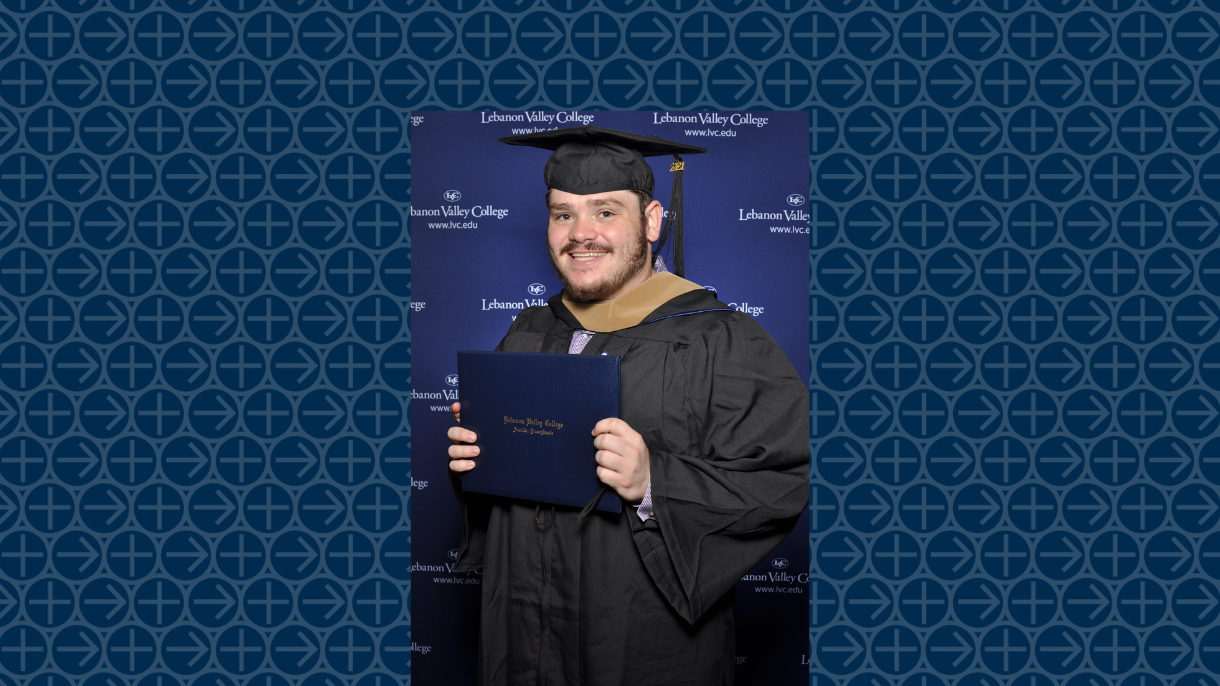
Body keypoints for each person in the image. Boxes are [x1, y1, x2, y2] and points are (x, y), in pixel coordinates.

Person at [446, 125, 809, 686]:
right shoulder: (527, 329)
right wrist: (477, 457)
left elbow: (782, 477)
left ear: (652, 221)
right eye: (563, 214)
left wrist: (652, 484)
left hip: (641, 639)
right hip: (523, 626)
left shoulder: (718, 338)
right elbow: (501, 488)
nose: (580, 233)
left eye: (605, 212)